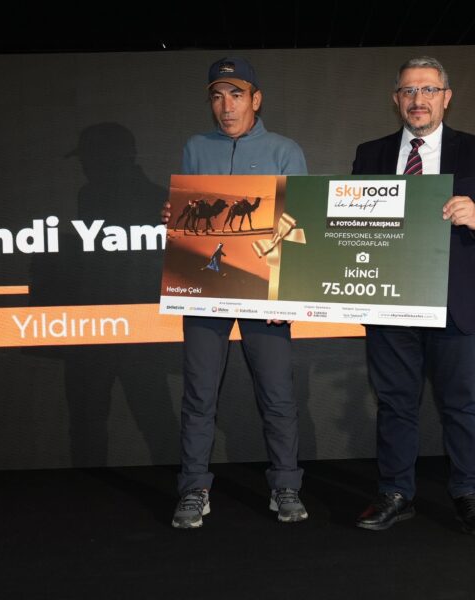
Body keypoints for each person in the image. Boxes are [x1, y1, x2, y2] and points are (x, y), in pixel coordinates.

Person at [351, 56, 475, 534]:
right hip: (389, 296)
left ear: (446, 97)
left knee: (463, 404)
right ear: (396, 100)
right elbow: (348, 223)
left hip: (457, 300)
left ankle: (469, 493)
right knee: (394, 403)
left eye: (428, 89)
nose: (418, 99)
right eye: (409, 90)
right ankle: (395, 493)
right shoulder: (370, 154)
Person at [162, 57, 308, 529]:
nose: (227, 106)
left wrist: (287, 294)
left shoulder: (285, 150)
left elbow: (297, 223)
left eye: (237, 95)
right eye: (217, 96)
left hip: (265, 289)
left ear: (256, 99)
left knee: (277, 393)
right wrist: (174, 217)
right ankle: (194, 488)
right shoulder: (195, 147)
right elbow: (192, 215)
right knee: (199, 393)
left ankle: (285, 485)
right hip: (205, 285)